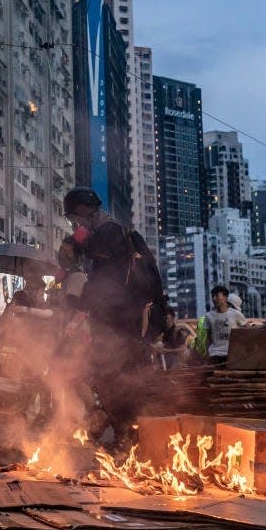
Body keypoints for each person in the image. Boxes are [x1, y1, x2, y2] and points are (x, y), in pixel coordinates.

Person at [61, 186, 156, 441]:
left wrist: (78, 315)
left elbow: (100, 284)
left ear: (83, 212)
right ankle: (128, 435)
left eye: (75, 220)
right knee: (118, 377)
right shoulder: (120, 232)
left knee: (111, 377)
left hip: (119, 321)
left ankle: (128, 435)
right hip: (126, 321)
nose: (75, 226)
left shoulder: (108, 232)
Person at [206, 285, 248, 365]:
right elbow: (208, 339)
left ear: (225, 297)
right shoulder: (208, 316)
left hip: (231, 355)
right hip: (214, 355)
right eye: (213, 296)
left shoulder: (236, 314)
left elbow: (248, 329)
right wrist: (207, 356)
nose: (214, 299)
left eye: (217, 296)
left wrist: (265, 326)